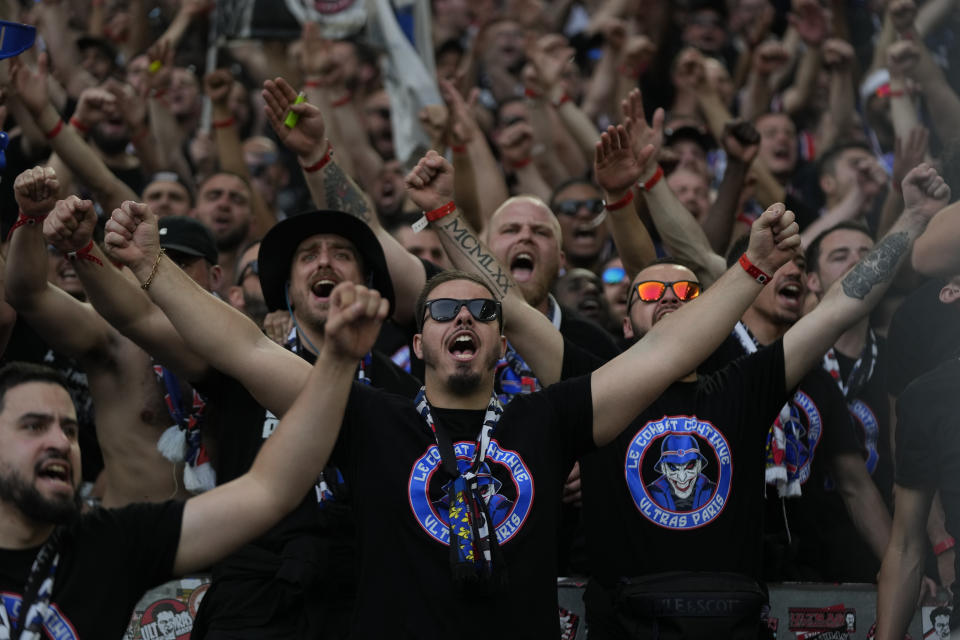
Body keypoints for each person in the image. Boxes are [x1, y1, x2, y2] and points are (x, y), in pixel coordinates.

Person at [108, 138, 800, 636]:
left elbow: (669, 346)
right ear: (418, 342)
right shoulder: (370, 419)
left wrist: (750, 270)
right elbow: (244, 346)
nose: (462, 316)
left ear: (504, 343)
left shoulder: (547, 419)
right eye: (442, 310)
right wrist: (151, 267)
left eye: (482, 312)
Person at [575, 161, 949, 638]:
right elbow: (525, 315)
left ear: (706, 310)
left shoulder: (748, 381)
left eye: (686, 292)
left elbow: (840, 307)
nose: (668, 299)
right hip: (624, 621)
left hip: (738, 615)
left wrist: (914, 218)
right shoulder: (596, 389)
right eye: (650, 293)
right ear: (625, 324)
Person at [0, 257, 389, 638]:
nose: (59, 443)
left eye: (70, 431)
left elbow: (268, 489)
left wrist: (337, 363)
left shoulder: (109, 543)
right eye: (33, 427)